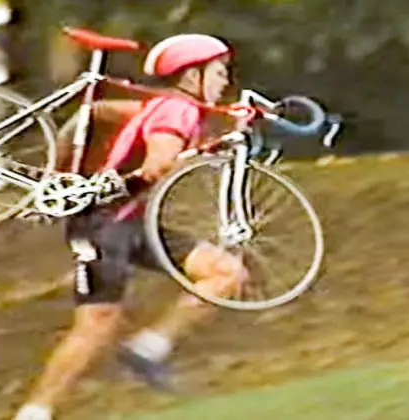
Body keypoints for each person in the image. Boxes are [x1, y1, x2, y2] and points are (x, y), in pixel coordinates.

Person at [13, 34, 249, 420]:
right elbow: (157, 164)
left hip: (134, 221)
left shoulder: (169, 108)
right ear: (192, 76)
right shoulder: (178, 110)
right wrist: (61, 175)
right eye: (219, 72)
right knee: (97, 324)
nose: (224, 81)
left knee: (225, 272)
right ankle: (34, 413)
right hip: (102, 223)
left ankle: (148, 349)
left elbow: (96, 112)